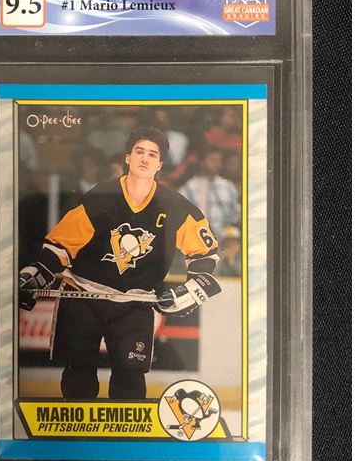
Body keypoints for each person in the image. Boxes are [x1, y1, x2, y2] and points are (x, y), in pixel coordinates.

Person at [19, 126, 222, 400]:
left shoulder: (175, 206)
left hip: (135, 303)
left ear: (160, 164)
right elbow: (61, 245)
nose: (145, 158)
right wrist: (38, 272)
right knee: (79, 374)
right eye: (139, 151)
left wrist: (193, 288)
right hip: (83, 296)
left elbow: (205, 254)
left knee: (130, 378)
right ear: (127, 157)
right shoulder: (100, 197)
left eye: (152, 154)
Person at [179, 147, 241, 237]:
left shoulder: (228, 186)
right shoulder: (188, 188)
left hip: (225, 239)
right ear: (202, 162)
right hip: (199, 238)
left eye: (219, 161)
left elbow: (235, 216)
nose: (217, 164)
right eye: (213, 160)